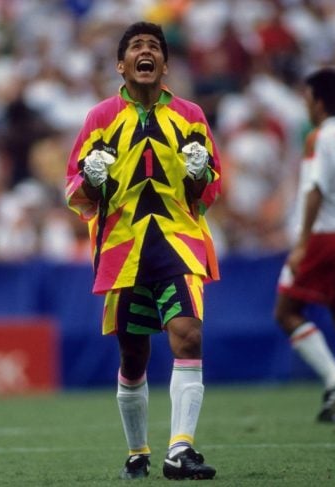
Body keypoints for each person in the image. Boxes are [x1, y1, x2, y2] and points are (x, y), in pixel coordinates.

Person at [65, 22, 222, 480]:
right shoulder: (100, 117)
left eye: (154, 46)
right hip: (122, 248)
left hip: (179, 243)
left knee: (188, 334)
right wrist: (89, 180)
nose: (146, 50)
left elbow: (207, 191)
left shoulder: (191, 114)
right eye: (136, 46)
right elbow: (76, 193)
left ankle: (181, 449)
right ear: (122, 65)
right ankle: (138, 451)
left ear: (165, 65)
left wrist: (200, 173)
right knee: (133, 356)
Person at [273, 67, 335, 423]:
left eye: (307, 98)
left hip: (324, 236)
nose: (305, 105)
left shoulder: (319, 137)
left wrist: (301, 243)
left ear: (319, 101)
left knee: (285, 311)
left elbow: (315, 190)